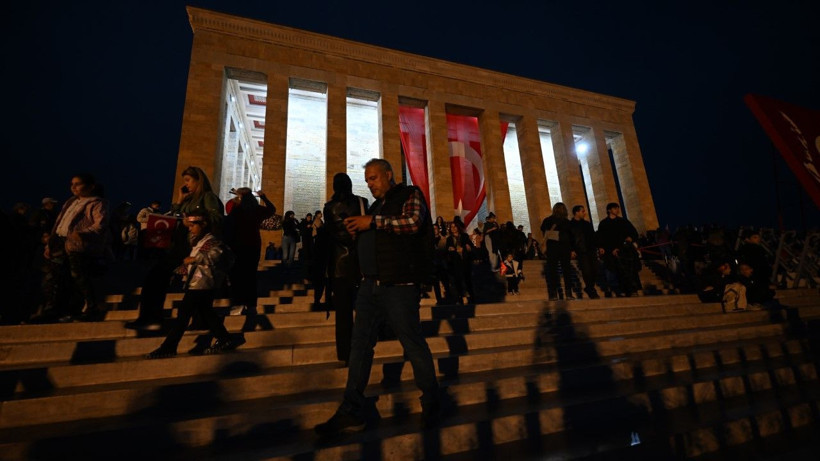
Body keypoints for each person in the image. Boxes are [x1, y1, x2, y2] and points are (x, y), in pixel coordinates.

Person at [315, 158, 439, 435]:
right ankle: (351, 410)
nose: (370, 184)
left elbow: (413, 223)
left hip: (399, 284)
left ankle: (432, 402)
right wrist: (358, 232)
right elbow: (377, 237)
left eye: (374, 178)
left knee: (412, 342)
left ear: (388, 174)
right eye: (367, 180)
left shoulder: (409, 194)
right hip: (370, 287)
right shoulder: (374, 207)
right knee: (359, 347)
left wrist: (372, 222)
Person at [126, 166, 224, 331]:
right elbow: (176, 215)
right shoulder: (188, 199)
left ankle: (199, 321)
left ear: (198, 180)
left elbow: (217, 219)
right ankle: (150, 317)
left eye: (188, 180)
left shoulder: (208, 197)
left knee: (195, 283)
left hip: (195, 246)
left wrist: (192, 220)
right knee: (155, 277)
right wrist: (179, 200)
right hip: (180, 245)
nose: (186, 184)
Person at [145, 210, 244, 358]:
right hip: (198, 282)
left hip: (203, 283)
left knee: (183, 315)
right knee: (206, 311)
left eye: (192, 225)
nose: (190, 228)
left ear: (203, 225)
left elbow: (216, 255)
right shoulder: (199, 240)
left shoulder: (212, 240)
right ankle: (225, 338)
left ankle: (169, 346)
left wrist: (195, 259)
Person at [33, 173, 110, 323]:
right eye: (71, 184)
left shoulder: (97, 203)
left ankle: (89, 307)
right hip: (60, 244)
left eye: (78, 184)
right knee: (54, 278)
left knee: (78, 277)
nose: (73, 187)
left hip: (77, 246)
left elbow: (100, 225)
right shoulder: (70, 202)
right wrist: (50, 243)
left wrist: (80, 233)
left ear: (90, 186)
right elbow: (59, 222)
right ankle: (52, 309)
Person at [322, 172, 369, 364]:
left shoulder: (328, 207)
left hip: (339, 265)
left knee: (343, 313)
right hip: (360, 264)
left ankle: (345, 353)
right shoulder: (362, 202)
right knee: (366, 309)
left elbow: (331, 235)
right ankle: (364, 346)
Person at [223, 187, 275, 315]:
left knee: (237, 276)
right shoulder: (256, 210)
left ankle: (239, 302)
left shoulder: (237, 210)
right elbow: (272, 209)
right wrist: (263, 197)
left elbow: (228, 223)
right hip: (253, 246)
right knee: (250, 276)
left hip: (238, 246)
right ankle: (251, 304)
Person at [596, 202, 640, 297]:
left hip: (624, 251)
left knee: (628, 271)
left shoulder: (623, 221)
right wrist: (601, 247)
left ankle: (631, 290)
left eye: (617, 208)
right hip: (610, 252)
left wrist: (631, 238)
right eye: (615, 208)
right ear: (609, 210)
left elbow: (633, 233)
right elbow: (600, 237)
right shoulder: (603, 223)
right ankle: (617, 290)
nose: (617, 210)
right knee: (613, 271)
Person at [541, 202, 575, 300]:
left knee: (552, 271)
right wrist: (572, 249)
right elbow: (571, 236)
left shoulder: (547, 220)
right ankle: (568, 293)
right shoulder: (567, 222)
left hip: (552, 248)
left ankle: (553, 294)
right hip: (565, 247)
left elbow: (543, 230)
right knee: (566, 270)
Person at [569, 205, 600, 299]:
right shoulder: (570, 225)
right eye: (582, 211)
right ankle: (591, 290)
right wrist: (571, 250)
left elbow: (593, 236)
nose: (584, 213)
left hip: (591, 249)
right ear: (576, 212)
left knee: (595, 269)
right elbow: (569, 239)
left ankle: (589, 287)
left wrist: (598, 247)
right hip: (580, 251)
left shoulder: (587, 224)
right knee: (586, 271)